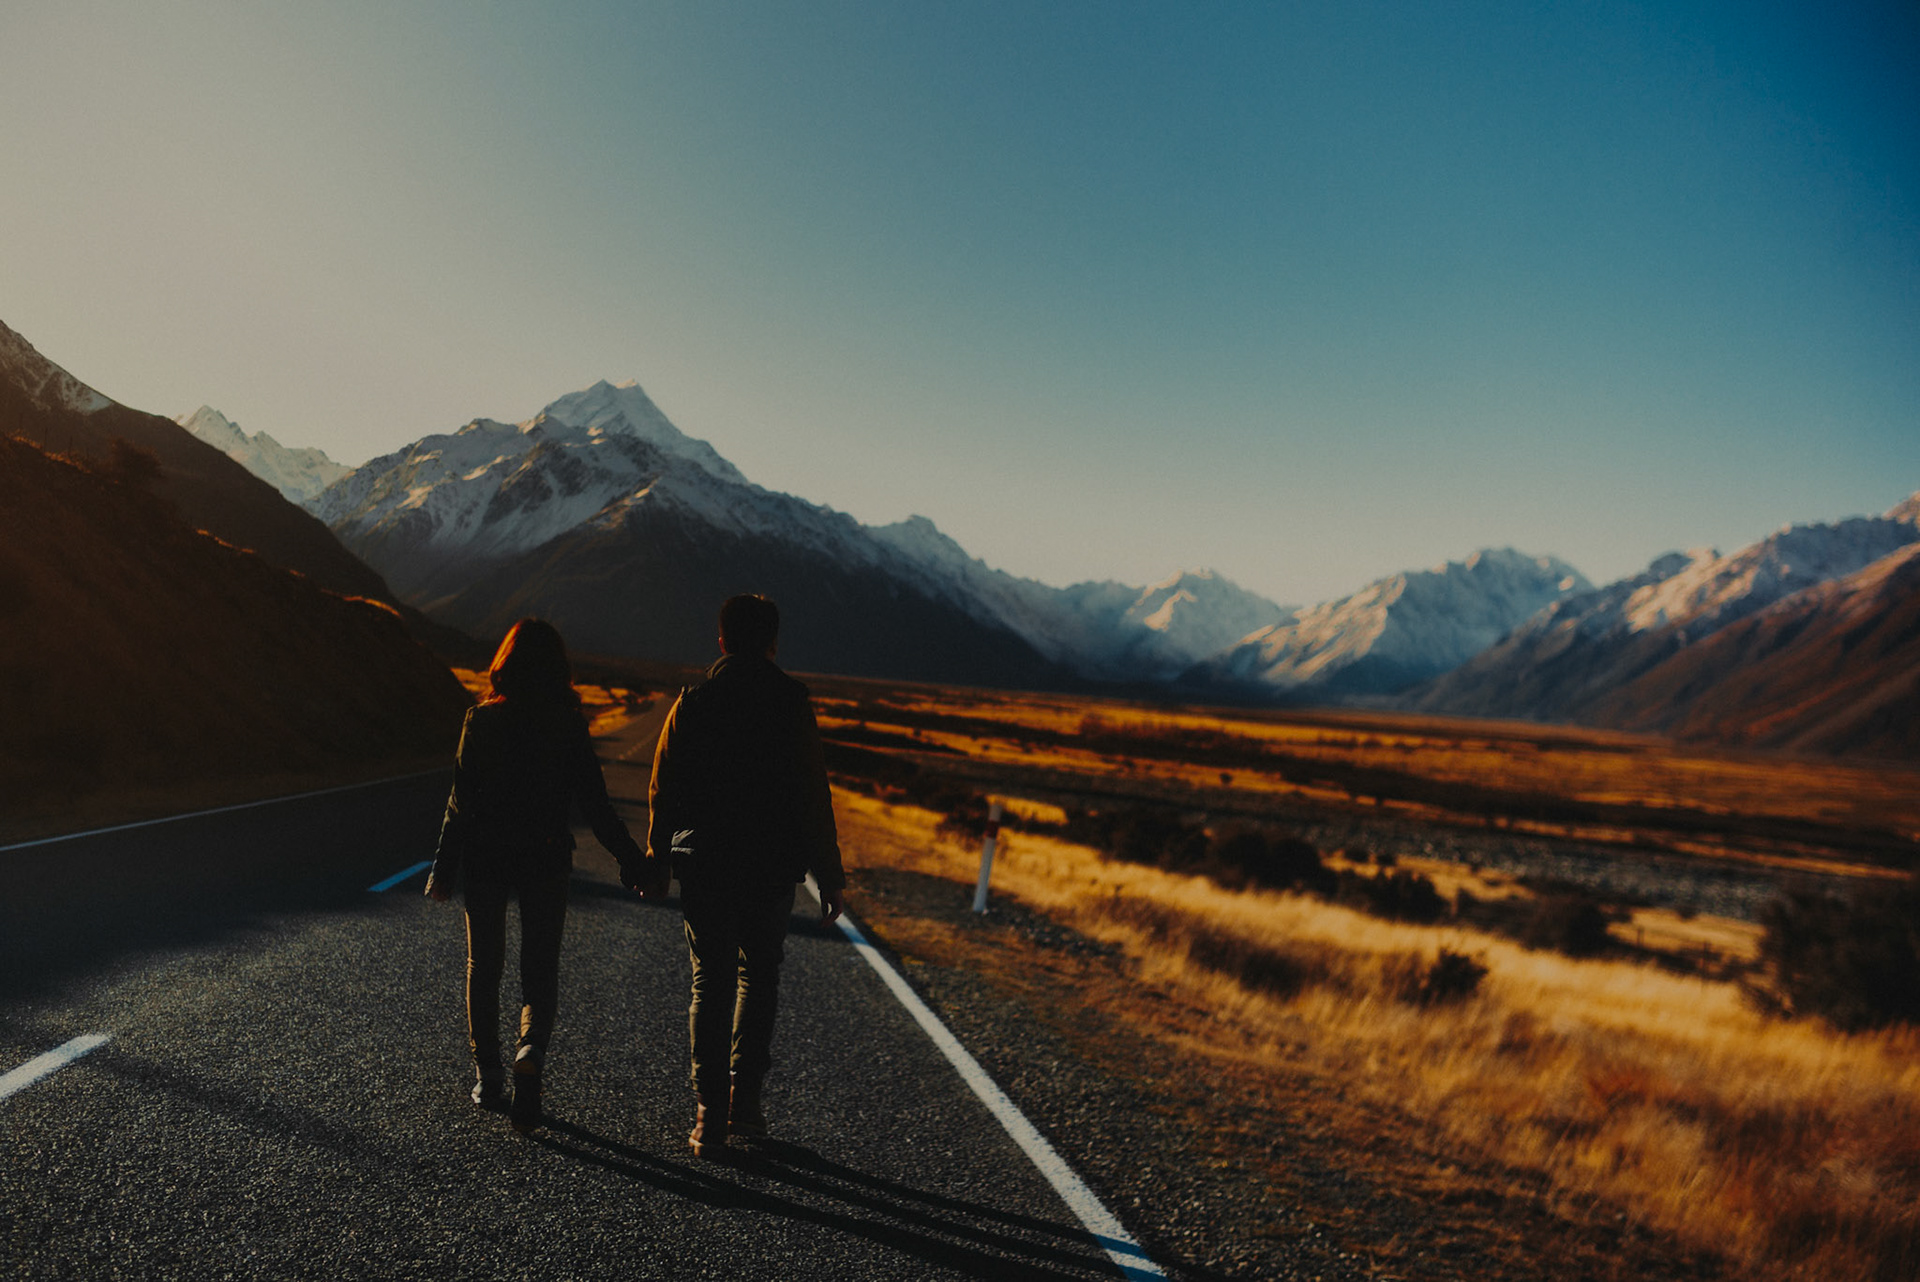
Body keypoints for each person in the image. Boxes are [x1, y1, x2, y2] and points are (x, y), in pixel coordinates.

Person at [645, 593, 847, 1158]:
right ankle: (747, 1103)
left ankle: (709, 1114)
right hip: (771, 866)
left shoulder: (695, 700)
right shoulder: (792, 702)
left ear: (722, 640)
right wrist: (829, 874)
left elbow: (664, 788)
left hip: (706, 862)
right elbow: (813, 794)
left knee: (710, 979)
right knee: (759, 977)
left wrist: (658, 859)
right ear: (773, 643)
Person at [426, 617, 646, 1134]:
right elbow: (596, 805)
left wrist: (442, 868)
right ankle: (531, 1050)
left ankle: (490, 1075)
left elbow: (460, 803)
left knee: (485, 966)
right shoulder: (568, 723)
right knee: (539, 969)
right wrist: (633, 861)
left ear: (505, 661)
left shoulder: (479, 720)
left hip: (486, 859)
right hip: (547, 858)